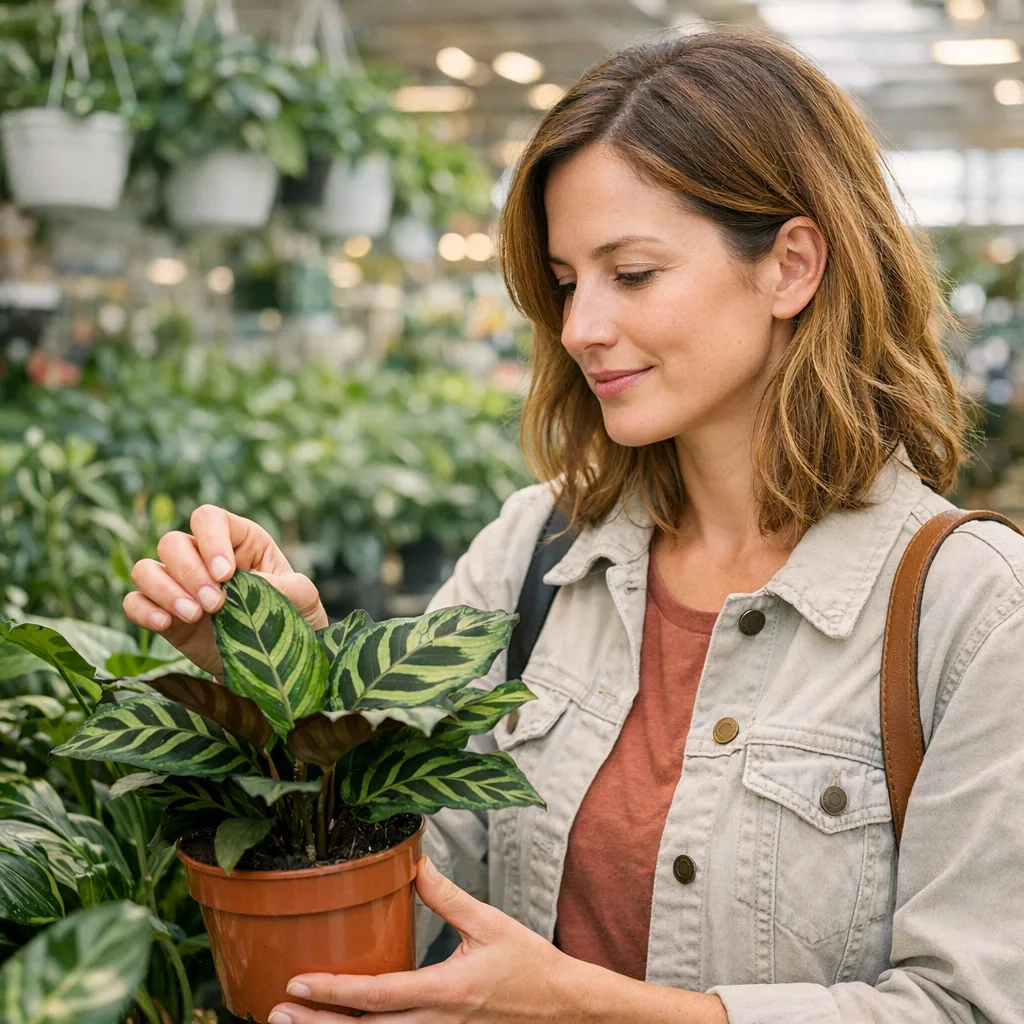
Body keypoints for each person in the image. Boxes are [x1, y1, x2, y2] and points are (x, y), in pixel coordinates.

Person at [125, 26, 1024, 1024]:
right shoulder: (535, 551)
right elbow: (387, 882)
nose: (579, 328)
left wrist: (575, 1005)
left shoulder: (968, 610)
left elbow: (968, 1006)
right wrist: (275, 680)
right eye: (564, 282)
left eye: (630, 273)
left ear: (790, 266)